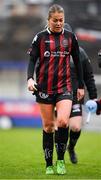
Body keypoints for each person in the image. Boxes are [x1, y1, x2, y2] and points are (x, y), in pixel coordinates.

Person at [27, 4, 84, 175]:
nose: (59, 23)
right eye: (55, 20)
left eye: (61, 20)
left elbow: (78, 62)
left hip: (64, 87)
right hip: (44, 88)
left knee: (63, 122)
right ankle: (49, 164)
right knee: (49, 127)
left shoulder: (71, 38)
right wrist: (30, 79)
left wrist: (80, 85)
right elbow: (31, 61)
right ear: (48, 20)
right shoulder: (40, 38)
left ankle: (60, 161)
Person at [55, 46, 97, 164]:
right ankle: (59, 158)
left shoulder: (80, 53)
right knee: (60, 126)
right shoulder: (53, 50)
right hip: (56, 94)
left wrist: (93, 97)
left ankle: (71, 148)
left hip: (74, 96)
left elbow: (88, 76)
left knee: (76, 127)